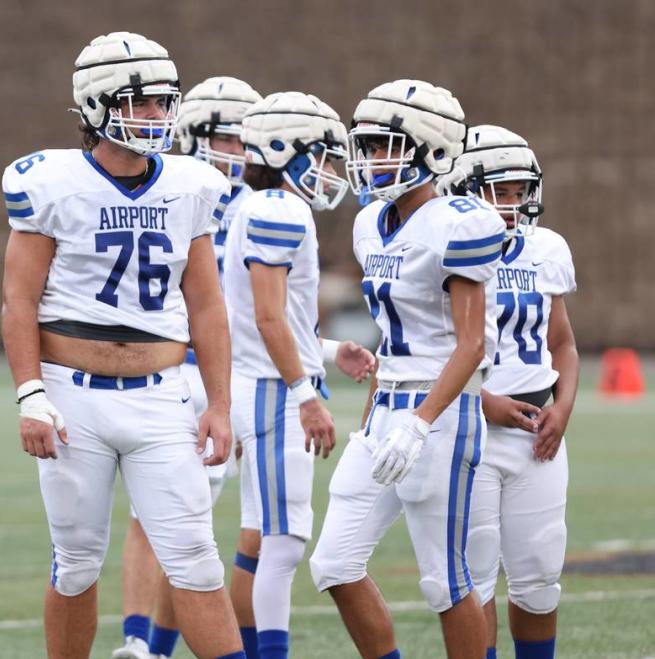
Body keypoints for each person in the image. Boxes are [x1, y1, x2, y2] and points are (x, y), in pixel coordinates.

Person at [0, 31, 245, 659]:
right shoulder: (51, 182)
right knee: (77, 561)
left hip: (162, 395)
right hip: (70, 396)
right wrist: (29, 394)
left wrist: (217, 404)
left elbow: (208, 304)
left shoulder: (190, 183)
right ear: (95, 106)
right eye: (141, 103)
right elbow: (18, 301)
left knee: (195, 558)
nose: (158, 116)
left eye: (165, 103)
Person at [308, 79, 504, 659]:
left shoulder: (458, 221)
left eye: (385, 146)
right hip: (386, 407)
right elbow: (393, 340)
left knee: (444, 581)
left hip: (441, 413)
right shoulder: (370, 222)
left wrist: (419, 422)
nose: (369, 161)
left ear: (434, 150)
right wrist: (375, 417)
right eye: (365, 147)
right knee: (334, 562)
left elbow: (470, 346)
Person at [112, 75, 263, 659]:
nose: (237, 153)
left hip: (225, 375)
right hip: (167, 371)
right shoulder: (169, 189)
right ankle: (137, 641)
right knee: (150, 519)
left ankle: (155, 647)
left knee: (191, 530)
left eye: (245, 141)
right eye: (226, 138)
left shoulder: (260, 206)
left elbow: (270, 311)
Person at [222, 91, 374, 659]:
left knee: (273, 538)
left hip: (262, 383)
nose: (331, 170)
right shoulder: (278, 210)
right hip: (270, 392)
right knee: (284, 543)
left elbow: (270, 318)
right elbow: (266, 317)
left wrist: (331, 351)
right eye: (323, 155)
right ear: (286, 149)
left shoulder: (260, 207)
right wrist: (306, 394)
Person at [438, 125, 578, 659]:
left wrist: (562, 408)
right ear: (464, 188)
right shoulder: (445, 246)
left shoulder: (545, 248)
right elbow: (432, 352)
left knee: (540, 578)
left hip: (537, 435)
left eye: (521, 191)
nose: (514, 204)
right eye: (501, 190)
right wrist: (482, 401)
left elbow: (562, 343)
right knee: (473, 580)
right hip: (469, 432)